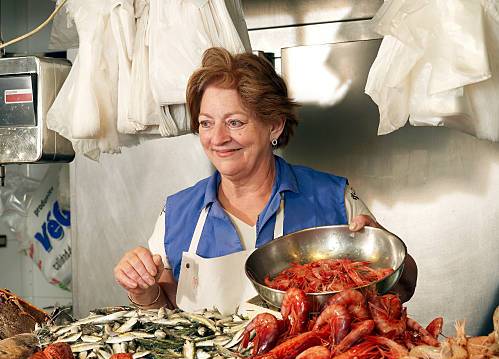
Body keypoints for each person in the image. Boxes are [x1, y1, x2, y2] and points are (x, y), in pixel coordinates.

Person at [114, 48, 417, 313]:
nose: (217, 138)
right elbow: (165, 311)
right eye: (206, 123)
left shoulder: (331, 197)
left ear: (274, 125)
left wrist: (387, 248)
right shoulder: (178, 212)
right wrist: (143, 290)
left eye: (235, 122)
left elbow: (404, 287)